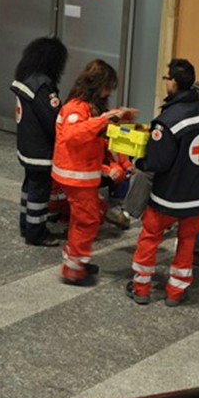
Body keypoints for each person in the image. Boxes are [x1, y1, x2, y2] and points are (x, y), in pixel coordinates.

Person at [127, 59, 199, 306]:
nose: (165, 83)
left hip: (168, 197)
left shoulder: (168, 120)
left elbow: (157, 162)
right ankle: (176, 292)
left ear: (173, 82)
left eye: (166, 78)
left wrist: (137, 162)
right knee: (187, 242)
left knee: (150, 238)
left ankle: (141, 289)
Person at [53, 59, 137, 285]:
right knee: (87, 221)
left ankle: (76, 260)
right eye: (107, 86)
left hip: (82, 174)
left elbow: (98, 135)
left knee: (83, 219)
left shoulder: (88, 107)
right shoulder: (75, 108)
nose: (108, 91)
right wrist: (102, 120)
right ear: (97, 85)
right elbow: (74, 135)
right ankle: (73, 269)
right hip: (76, 175)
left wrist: (119, 117)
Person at [12, 37, 68, 247]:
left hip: (26, 145)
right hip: (40, 149)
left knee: (29, 186)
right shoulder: (42, 86)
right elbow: (54, 119)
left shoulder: (24, 77)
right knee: (39, 190)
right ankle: (36, 233)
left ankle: (25, 224)